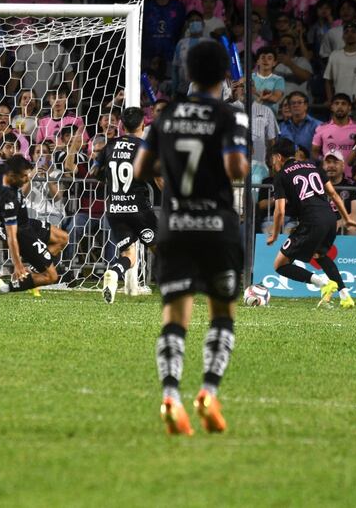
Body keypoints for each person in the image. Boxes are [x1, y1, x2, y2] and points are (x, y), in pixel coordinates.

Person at [133, 41, 249, 436]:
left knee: (175, 317)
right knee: (221, 314)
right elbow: (236, 169)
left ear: (188, 73)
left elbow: (140, 169)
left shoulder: (163, 118)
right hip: (217, 226)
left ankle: (170, 394)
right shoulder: (229, 115)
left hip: (176, 226)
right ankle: (209, 391)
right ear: (224, 75)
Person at [266, 138, 356, 309]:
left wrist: (275, 234)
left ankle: (323, 283)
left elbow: (280, 210)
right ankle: (345, 297)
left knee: (279, 265)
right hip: (330, 218)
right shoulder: (312, 166)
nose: (272, 162)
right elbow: (334, 195)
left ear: (278, 157)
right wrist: (347, 218)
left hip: (311, 221)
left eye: (272, 158)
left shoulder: (281, 176)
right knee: (320, 255)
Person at [0, 155, 69, 296]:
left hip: (25, 223)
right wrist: (17, 265)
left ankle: (31, 277)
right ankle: (3, 287)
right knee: (52, 277)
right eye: (24, 176)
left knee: (62, 238)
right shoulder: (8, 199)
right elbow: (12, 236)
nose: (27, 179)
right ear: (13, 175)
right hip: (19, 232)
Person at [97, 107, 159, 303]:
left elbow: (95, 173)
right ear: (143, 124)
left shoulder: (109, 146)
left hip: (115, 209)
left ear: (122, 125)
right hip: (138, 209)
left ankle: (114, 273)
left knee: (128, 254)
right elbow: (158, 178)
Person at [311, 94, 356, 177]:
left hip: (354, 177)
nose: (340, 106)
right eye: (336, 103)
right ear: (331, 107)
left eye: (343, 104)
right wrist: (325, 161)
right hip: (329, 178)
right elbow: (314, 151)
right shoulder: (321, 128)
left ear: (349, 107)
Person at [323, 149, 356, 235]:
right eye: (328, 162)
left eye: (335, 162)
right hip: (321, 226)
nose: (331, 165)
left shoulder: (354, 185)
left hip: (343, 226)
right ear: (323, 166)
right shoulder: (316, 186)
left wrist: (336, 224)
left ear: (343, 166)